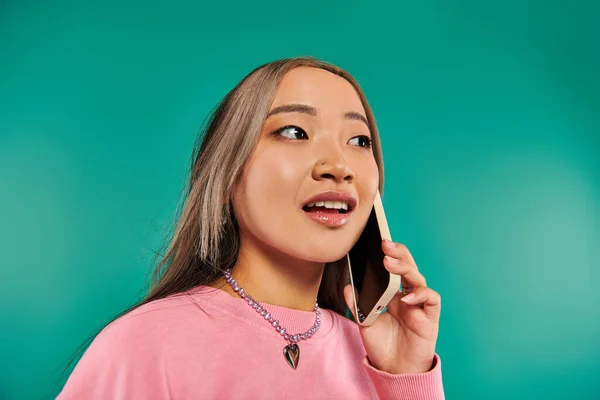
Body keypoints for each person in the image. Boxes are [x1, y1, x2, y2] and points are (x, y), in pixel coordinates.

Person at [58, 57, 444, 399]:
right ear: (229, 171)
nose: (338, 166)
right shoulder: (145, 344)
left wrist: (407, 378)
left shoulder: (378, 355)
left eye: (359, 140)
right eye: (295, 132)